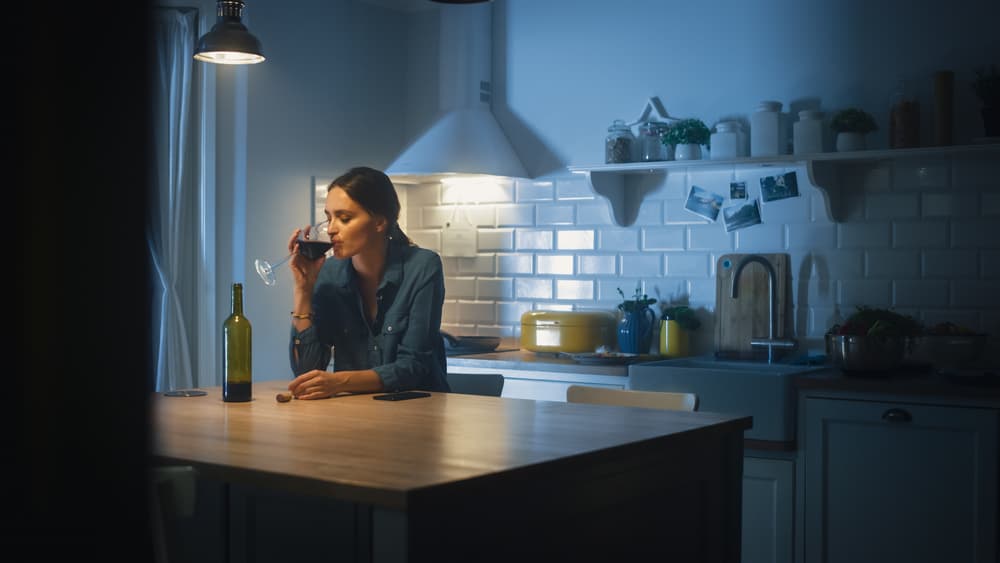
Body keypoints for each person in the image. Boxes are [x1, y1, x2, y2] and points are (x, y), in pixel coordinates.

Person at [286, 166, 449, 399]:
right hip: (356, 415)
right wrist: (303, 289)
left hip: (418, 413)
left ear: (380, 222)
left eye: (344, 218)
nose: (331, 229)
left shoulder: (423, 266)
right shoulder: (329, 272)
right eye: (328, 217)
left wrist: (339, 382)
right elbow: (307, 373)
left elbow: (413, 368)